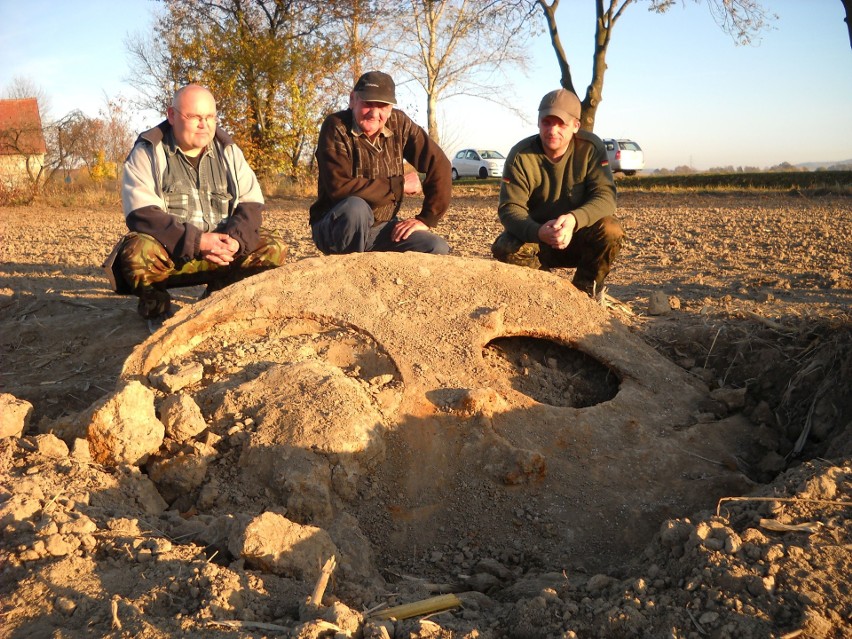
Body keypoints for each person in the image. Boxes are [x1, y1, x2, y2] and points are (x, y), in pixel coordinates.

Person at [105, 84, 287, 331]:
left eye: (210, 117)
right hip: (173, 255)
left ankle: (218, 298)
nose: (205, 124)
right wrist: (199, 241)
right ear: (171, 115)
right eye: (194, 117)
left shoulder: (230, 151)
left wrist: (235, 240)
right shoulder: (147, 151)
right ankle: (156, 307)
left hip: (223, 252)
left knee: (272, 246)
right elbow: (142, 214)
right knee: (136, 251)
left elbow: (250, 204)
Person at [492, 88, 623, 300]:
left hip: (579, 235)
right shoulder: (520, 155)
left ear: (576, 126)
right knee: (505, 246)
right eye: (547, 122)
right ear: (538, 122)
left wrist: (573, 220)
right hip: (539, 238)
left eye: (561, 123)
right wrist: (538, 231)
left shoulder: (591, 148)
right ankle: (547, 295)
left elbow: (606, 196)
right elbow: (509, 208)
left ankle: (584, 294)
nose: (552, 130)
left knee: (611, 230)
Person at [310, 71, 451, 255]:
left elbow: (439, 164)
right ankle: (348, 277)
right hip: (336, 226)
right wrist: (397, 186)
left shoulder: (400, 123)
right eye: (368, 104)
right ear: (353, 100)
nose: (374, 113)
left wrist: (427, 218)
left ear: (391, 108)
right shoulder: (335, 126)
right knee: (355, 208)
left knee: (435, 247)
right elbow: (339, 187)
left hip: (383, 228)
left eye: (383, 106)